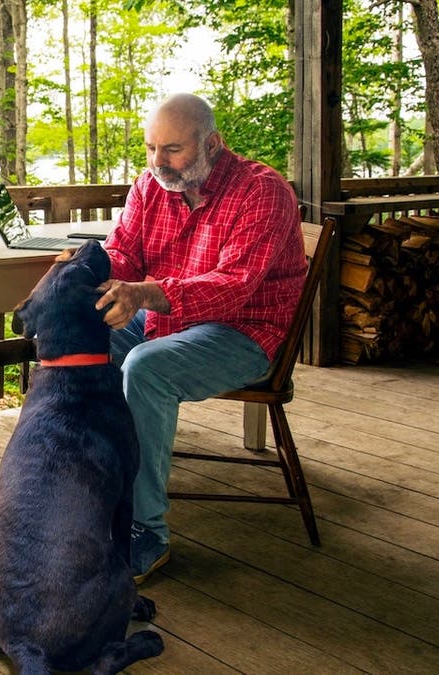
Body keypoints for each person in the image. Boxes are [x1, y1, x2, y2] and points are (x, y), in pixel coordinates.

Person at [94, 93, 306, 583]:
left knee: (146, 368)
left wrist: (145, 292)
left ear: (213, 143)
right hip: (168, 322)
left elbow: (232, 287)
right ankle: (85, 490)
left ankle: (144, 530)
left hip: (246, 332)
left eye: (172, 150)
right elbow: (123, 252)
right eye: (150, 149)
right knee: (84, 342)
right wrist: (90, 272)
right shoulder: (152, 185)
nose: (157, 163)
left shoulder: (262, 191)